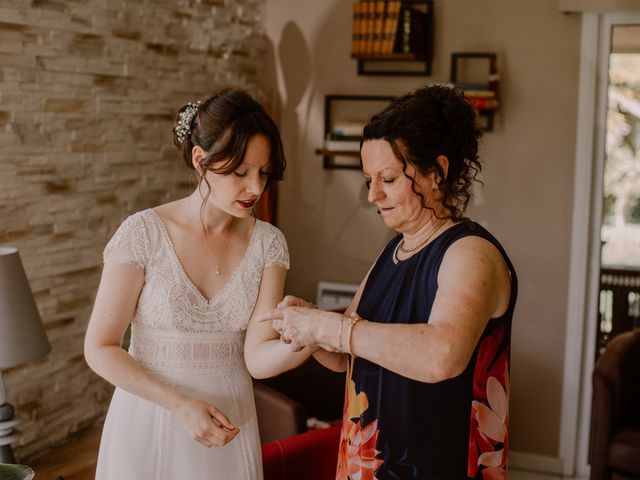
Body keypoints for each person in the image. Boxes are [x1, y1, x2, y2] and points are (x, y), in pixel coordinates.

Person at [260, 84, 518, 480]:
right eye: (369, 180)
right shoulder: (393, 252)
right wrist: (308, 323)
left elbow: (441, 356)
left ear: (438, 172)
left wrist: (331, 327)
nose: (373, 195)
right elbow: (347, 356)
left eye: (389, 179)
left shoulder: (470, 253)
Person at [84, 90, 312, 479]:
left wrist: (307, 337)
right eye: (240, 172)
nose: (255, 189)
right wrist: (178, 404)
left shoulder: (268, 243)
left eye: (264, 172)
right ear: (200, 160)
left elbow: (256, 359)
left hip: (228, 425)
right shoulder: (143, 233)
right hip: (147, 417)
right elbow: (100, 348)